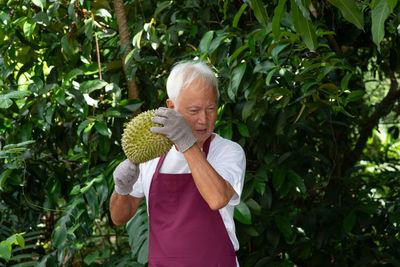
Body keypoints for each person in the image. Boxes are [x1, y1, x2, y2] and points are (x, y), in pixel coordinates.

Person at [110, 61, 246, 266]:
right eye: (194, 111)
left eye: (211, 108)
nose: (204, 119)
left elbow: (217, 198)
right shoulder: (151, 154)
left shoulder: (228, 151)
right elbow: (119, 217)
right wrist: (121, 188)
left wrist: (186, 143)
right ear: (171, 107)